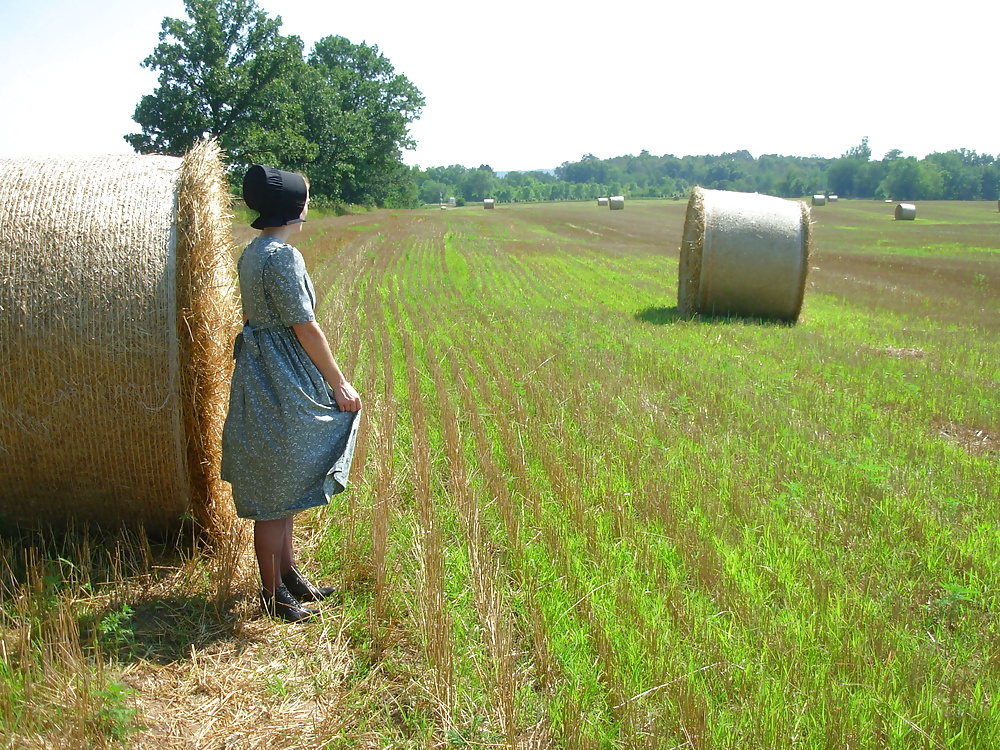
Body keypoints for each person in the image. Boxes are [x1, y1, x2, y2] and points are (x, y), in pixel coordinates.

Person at [221, 164, 362, 622]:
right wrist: (338, 382)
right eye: (305, 199)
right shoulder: (283, 257)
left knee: (281, 482)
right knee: (274, 493)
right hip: (282, 376)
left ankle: (289, 575)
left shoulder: (252, 252)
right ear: (294, 206)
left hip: (258, 373)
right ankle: (272, 592)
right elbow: (305, 326)